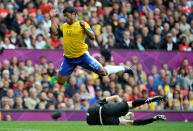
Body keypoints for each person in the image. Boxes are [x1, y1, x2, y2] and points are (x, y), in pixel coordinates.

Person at [50, 6, 133, 87]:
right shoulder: (64, 26)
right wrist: (52, 18)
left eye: (67, 16)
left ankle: (122, 67)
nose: (65, 18)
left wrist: (85, 29)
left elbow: (92, 37)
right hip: (69, 59)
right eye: (64, 16)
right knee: (60, 82)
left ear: (73, 14)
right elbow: (55, 33)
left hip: (82, 56)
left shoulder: (82, 24)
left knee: (103, 72)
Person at [86, 95, 166, 125]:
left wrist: (153, 119)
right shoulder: (114, 119)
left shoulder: (115, 120)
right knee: (130, 104)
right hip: (101, 112)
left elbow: (132, 122)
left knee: (129, 106)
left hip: (95, 115)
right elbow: (116, 97)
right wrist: (121, 107)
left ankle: (148, 100)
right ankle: (147, 100)